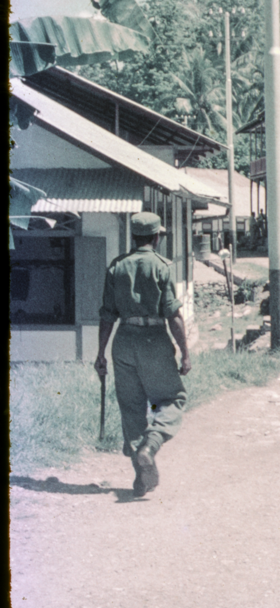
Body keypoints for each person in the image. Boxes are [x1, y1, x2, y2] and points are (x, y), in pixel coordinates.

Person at [95, 211, 191, 498]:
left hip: (123, 340)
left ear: (133, 236)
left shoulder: (116, 266)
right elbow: (173, 315)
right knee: (172, 399)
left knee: (131, 408)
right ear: (156, 237)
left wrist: (100, 354)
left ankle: (141, 477)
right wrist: (185, 353)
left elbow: (107, 315)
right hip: (153, 339)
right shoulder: (162, 266)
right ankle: (151, 444)